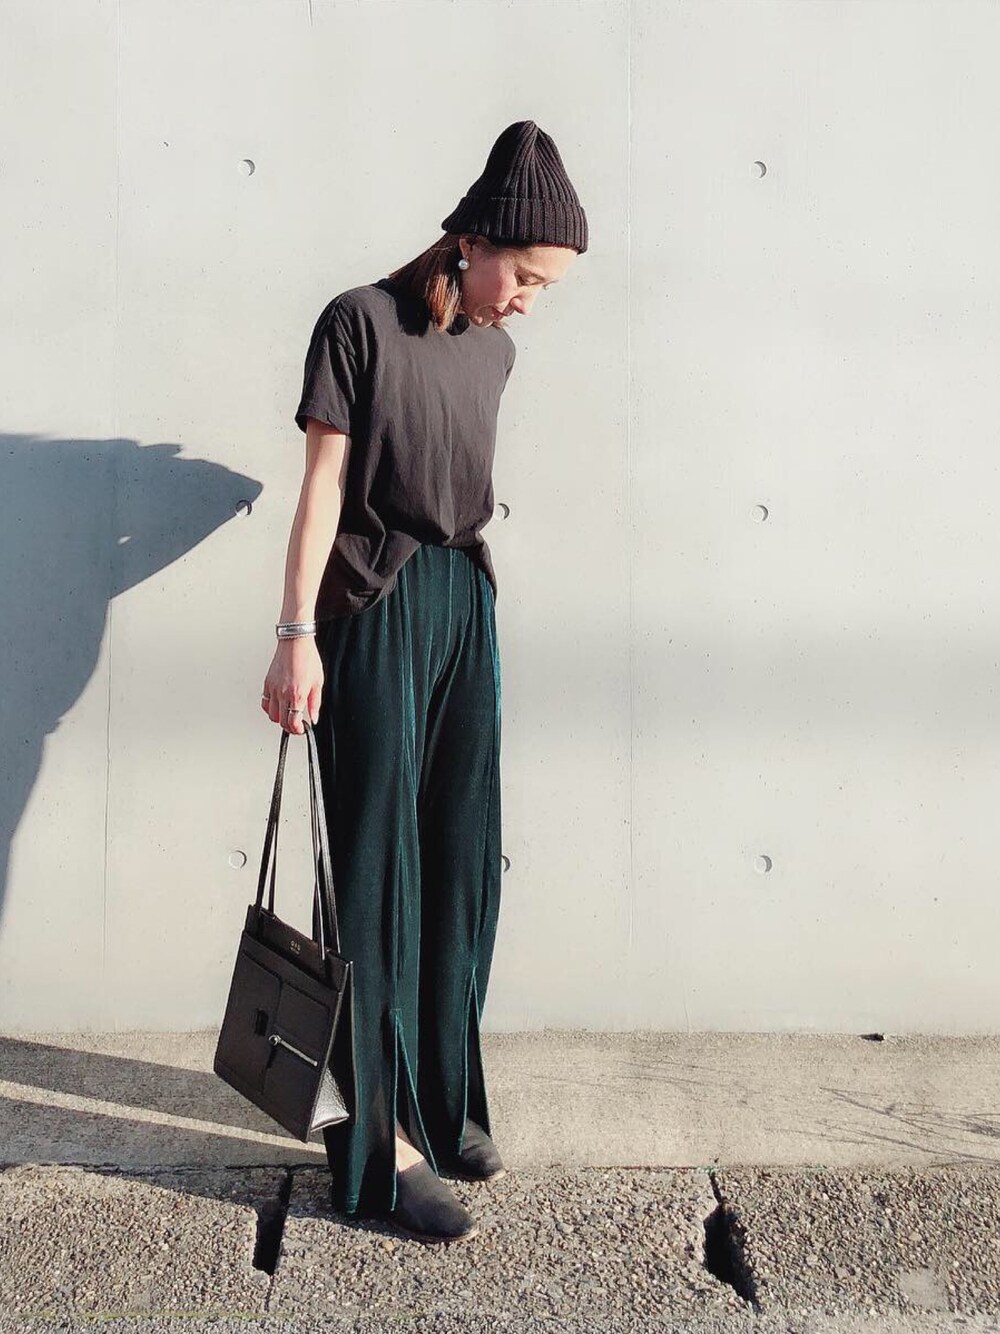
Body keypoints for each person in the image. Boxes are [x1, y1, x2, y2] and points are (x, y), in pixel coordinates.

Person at [260, 120, 587, 1244]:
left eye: (547, 289)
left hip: (462, 603)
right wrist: (295, 633)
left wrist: (472, 610)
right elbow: (322, 488)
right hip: (373, 606)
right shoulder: (358, 322)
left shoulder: (495, 354)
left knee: (458, 859)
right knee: (373, 871)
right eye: (526, 277)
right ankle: (376, 1139)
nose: (529, 304)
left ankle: (443, 1099)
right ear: (473, 240)